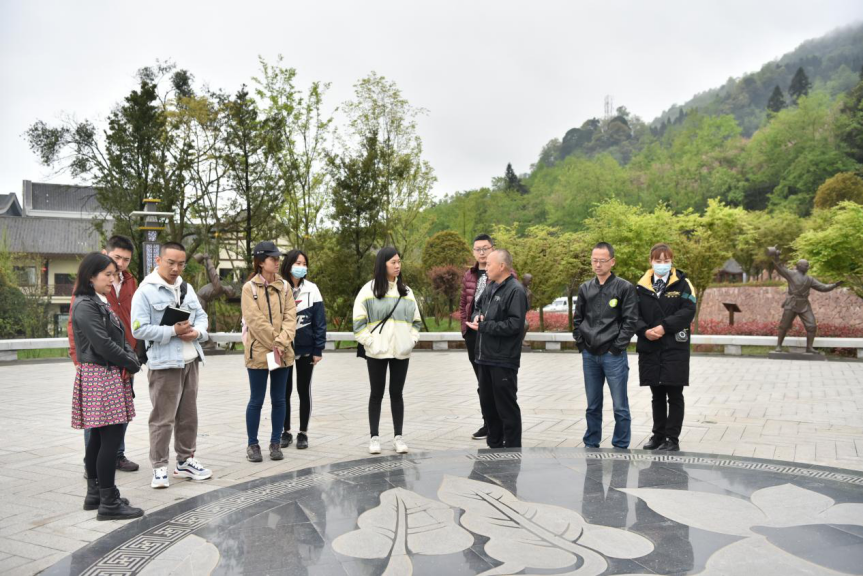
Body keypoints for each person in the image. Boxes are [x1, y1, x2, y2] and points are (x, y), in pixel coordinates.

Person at [131, 242, 213, 489]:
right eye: (171, 262)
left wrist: (197, 332)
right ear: (158, 260)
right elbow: (138, 329)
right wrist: (172, 331)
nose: (176, 268)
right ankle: (159, 467)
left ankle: (185, 461)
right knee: (163, 418)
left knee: (188, 416)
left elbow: (202, 317)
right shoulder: (145, 291)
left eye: (181, 264)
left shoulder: (186, 288)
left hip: (190, 360)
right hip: (164, 364)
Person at [70, 253, 143, 520]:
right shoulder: (85, 305)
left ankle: (96, 494)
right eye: (108, 275)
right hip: (100, 374)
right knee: (110, 439)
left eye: (114, 275)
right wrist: (131, 362)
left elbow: (120, 335)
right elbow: (102, 344)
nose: (113, 280)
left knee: (99, 439)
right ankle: (109, 502)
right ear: (91, 276)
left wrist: (130, 357)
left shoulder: (96, 301)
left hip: (106, 373)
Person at [353, 247, 422, 455]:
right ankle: (374, 437)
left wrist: (410, 341)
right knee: (376, 394)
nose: (397, 265)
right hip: (376, 352)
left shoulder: (406, 292)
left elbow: (416, 322)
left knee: (396, 394)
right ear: (382, 264)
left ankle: (398, 437)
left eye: (399, 261)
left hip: (401, 351)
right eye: (393, 262)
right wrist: (370, 343)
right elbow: (358, 324)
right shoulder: (368, 290)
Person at [572, 242, 638, 449]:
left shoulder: (624, 288)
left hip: (613, 355)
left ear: (612, 261)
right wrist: (582, 344)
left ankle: (620, 444)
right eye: (594, 260)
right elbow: (577, 319)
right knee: (592, 405)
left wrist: (616, 347)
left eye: (602, 260)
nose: (598, 264)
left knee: (620, 405)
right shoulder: (585, 288)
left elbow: (630, 321)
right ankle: (591, 442)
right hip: (590, 354)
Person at [634, 243, 696, 452]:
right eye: (658, 260)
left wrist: (663, 327)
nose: (662, 264)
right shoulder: (640, 287)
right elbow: (633, 315)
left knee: (675, 395)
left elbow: (688, 311)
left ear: (671, 261)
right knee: (657, 395)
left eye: (666, 260)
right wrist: (644, 331)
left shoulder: (683, 284)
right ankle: (658, 435)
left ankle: (672, 439)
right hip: (650, 347)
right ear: (651, 261)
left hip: (674, 348)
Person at [465, 249, 528, 448]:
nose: (486, 268)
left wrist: (485, 326)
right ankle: (494, 447)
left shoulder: (515, 290)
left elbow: (515, 325)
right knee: (488, 406)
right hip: (484, 356)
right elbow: (477, 307)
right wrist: (477, 317)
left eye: (490, 264)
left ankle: (512, 449)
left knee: (506, 407)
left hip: (503, 359)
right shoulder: (490, 287)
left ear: (502, 266)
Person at [241, 241, 297, 462]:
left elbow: (291, 318)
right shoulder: (249, 288)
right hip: (259, 352)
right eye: (272, 258)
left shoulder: (285, 287)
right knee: (256, 400)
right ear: (260, 262)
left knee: (279, 399)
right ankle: (252, 444)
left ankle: (275, 442)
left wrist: (281, 343)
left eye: (277, 258)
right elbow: (255, 321)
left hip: (281, 352)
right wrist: (276, 343)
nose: (277, 262)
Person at [279, 250, 326, 451]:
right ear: (289, 264)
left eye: (304, 263)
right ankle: (285, 431)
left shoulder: (312, 289)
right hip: (284, 349)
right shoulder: (279, 287)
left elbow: (320, 321)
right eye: (298, 263)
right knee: (284, 391)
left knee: (303, 390)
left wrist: (318, 349)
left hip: (306, 349)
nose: (301, 266)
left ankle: (303, 433)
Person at [770, 248, 842, 354]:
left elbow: (822, 287)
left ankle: (809, 347)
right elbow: (779, 268)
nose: (808, 267)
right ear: (799, 266)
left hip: (804, 304)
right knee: (784, 325)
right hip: (792, 303)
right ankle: (778, 346)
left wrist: (834, 285)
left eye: (808, 265)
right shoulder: (791, 274)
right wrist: (776, 257)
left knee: (812, 326)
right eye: (806, 265)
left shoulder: (810, 279)